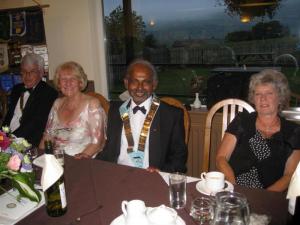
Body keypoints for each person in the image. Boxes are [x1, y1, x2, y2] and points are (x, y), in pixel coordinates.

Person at [216, 69, 300, 192]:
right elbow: (221, 158)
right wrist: (234, 188)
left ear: (280, 98)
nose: (262, 99)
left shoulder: (293, 132)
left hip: (270, 197)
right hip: (234, 190)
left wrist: (264, 197)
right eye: (258, 94)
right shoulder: (241, 121)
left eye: (269, 93)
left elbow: (289, 176)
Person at [97, 59, 187, 173]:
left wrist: (161, 171)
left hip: (151, 177)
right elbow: (109, 150)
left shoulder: (171, 115)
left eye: (146, 82)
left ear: (154, 85)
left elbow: (179, 158)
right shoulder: (115, 110)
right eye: (134, 81)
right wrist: (88, 162)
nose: (140, 87)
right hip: (117, 173)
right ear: (126, 83)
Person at [39, 61, 106, 159]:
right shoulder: (57, 103)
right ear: (58, 83)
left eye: (72, 78)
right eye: (63, 79)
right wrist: (40, 157)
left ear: (80, 82)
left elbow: (97, 143)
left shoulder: (92, 104)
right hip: (55, 160)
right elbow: (47, 136)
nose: (68, 83)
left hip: (81, 161)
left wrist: (75, 162)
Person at [3, 53, 58, 147]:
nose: (27, 76)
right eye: (24, 71)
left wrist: (10, 140)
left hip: (28, 142)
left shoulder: (48, 93)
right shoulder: (16, 89)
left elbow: (35, 123)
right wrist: (2, 136)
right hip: (7, 140)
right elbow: (9, 116)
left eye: (32, 71)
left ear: (41, 73)